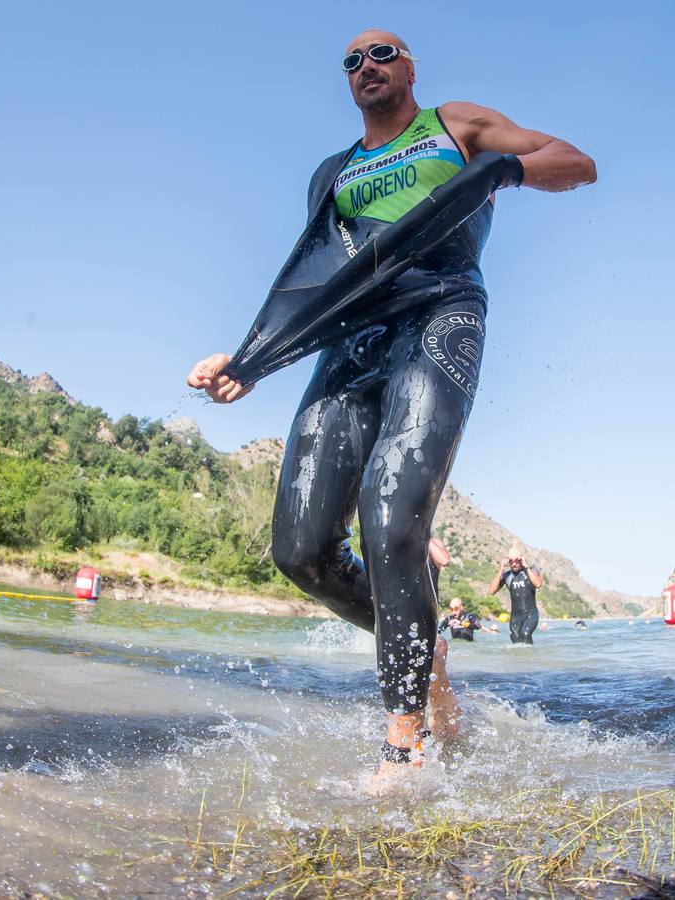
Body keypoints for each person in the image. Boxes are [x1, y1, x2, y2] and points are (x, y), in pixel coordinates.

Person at [186, 28, 595, 781]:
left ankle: (403, 743)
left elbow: (577, 163)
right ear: (346, 82)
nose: (366, 66)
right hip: (356, 340)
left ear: (408, 67)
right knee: (300, 550)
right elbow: (315, 289)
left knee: (389, 511)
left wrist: (501, 169)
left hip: (440, 314)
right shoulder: (333, 173)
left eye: (382, 53)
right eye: (351, 61)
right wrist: (250, 359)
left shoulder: (455, 124)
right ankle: (421, 636)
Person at [489, 547, 543, 644]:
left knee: (525, 634)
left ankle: (531, 658)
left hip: (530, 613)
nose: (514, 564)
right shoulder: (507, 576)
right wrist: (501, 569)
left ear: (521, 560)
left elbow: (538, 584)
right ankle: (518, 660)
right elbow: (492, 591)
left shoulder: (531, 571)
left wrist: (526, 566)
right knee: (515, 640)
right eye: (511, 561)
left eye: (517, 561)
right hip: (515, 617)